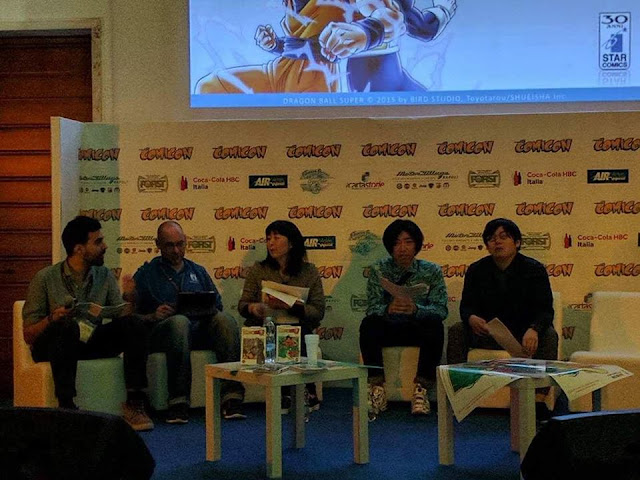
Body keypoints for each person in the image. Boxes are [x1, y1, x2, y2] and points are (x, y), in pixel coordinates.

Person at [22, 216, 153, 431]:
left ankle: (135, 403)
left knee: (134, 324)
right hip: (54, 345)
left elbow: (122, 316)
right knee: (67, 327)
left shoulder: (104, 275)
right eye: (98, 242)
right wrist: (52, 318)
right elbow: (28, 335)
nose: (105, 246)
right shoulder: (45, 278)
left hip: (89, 339)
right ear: (79, 249)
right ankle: (67, 407)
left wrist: (130, 296)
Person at [132, 221, 245, 423]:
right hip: (164, 333)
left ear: (186, 242)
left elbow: (217, 305)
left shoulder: (197, 271)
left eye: (180, 244)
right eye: (169, 245)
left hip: (199, 329)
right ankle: (178, 401)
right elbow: (131, 318)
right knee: (179, 322)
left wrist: (205, 309)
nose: (176, 250)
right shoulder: (146, 275)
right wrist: (153, 316)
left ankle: (232, 397)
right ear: (158, 244)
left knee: (225, 320)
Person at [447, 218, 558, 415]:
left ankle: (538, 399)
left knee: (549, 335)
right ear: (487, 245)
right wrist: (471, 318)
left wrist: (534, 329)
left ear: (517, 242)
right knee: (457, 330)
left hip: (522, 336)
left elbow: (545, 310)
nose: (497, 242)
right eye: (491, 238)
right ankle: (459, 394)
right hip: (488, 334)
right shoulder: (476, 270)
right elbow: (466, 307)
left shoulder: (534, 269)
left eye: (503, 237)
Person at [195, 0, 404, 94]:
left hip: (316, 84)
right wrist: (275, 44)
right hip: (278, 74)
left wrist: (366, 32)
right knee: (210, 87)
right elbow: (302, 43)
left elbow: (393, 18)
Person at [360, 219, 448, 419]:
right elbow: (372, 307)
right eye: (396, 243)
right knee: (369, 324)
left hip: (417, 328)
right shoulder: (378, 269)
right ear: (389, 247)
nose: (402, 248)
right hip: (389, 327)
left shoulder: (431, 270)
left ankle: (421, 390)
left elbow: (441, 309)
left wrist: (416, 309)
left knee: (434, 323)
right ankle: (377, 388)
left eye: (408, 242)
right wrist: (387, 309)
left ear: (417, 245)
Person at [238, 220, 325, 412]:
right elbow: (242, 305)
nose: (271, 243)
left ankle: (304, 390)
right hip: (266, 325)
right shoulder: (259, 269)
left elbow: (318, 311)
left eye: (276, 238)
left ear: (291, 243)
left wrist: (292, 306)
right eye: (268, 238)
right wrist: (253, 308)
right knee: (274, 332)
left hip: (296, 326)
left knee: (294, 332)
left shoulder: (309, 271)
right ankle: (287, 392)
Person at [320, 0, 457, 92]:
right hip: (373, 77)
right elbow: (393, 18)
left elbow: (418, 27)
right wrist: (367, 31)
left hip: (389, 76)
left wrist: (443, 10)